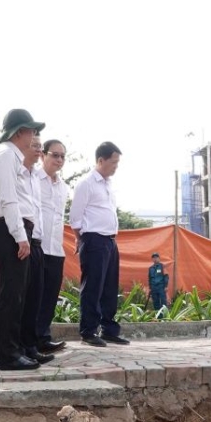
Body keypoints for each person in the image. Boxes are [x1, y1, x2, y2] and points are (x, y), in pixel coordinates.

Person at [0, 109, 44, 371]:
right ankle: (7, 355)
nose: (33, 137)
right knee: (11, 295)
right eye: (30, 131)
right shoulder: (7, 156)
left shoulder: (9, 156)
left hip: (11, 228)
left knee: (15, 294)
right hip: (11, 230)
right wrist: (20, 237)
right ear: (19, 132)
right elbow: (8, 200)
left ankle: (13, 349)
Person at [69, 142, 128, 347]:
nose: (116, 166)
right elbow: (75, 217)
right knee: (93, 286)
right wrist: (81, 238)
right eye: (113, 162)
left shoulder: (108, 184)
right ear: (101, 160)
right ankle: (88, 330)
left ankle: (109, 329)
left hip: (110, 241)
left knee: (110, 287)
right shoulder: (86, 184)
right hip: (93, 239)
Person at [18, 135, 54, 364]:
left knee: (34, 298)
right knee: (20, 299)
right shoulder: (18, 173)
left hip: (38, 241)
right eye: (35, 146)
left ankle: (30, 346)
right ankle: (18, 348)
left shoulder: (34, 177)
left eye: (40, 147)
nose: (38, 150)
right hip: (23, 239)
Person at [34, 139, 69, 354]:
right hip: (37, 246)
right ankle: (30, 340)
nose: (59, 159)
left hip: (56, 247)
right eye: (54, 155)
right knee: (34, 296)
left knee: (50, 296)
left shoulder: (63, 186)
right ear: (43, 155)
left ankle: (43, 337)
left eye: (62, 156)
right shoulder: (33, 179)